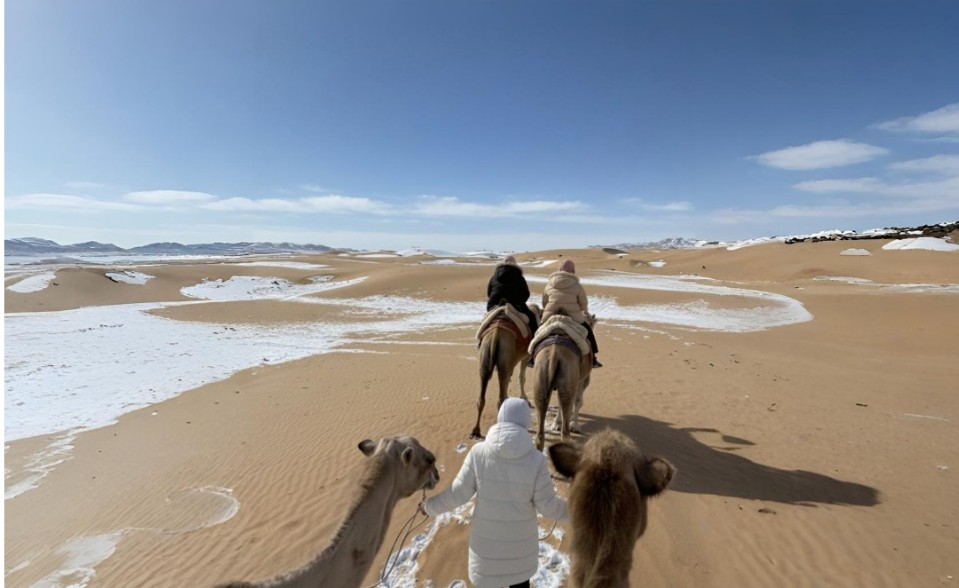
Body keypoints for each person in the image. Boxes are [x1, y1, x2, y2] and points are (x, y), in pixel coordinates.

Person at [419, 397, 568, 588]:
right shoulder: (536, 460)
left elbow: (457, 495)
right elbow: (549, 507)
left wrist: (428, 507)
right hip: (520, 559)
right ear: (525, 422)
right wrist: (584, 513)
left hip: (485, 559)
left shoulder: (478, 453)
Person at [538, 259, 602, 368]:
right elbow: (583, 305)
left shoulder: (549, 284)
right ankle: (593, 359)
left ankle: (531, 357)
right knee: (588, 331)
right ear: (573, 271)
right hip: (574, 317)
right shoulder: (577, 285)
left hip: (551, 316)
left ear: (559, 270)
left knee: (538, 332)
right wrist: (580, 310)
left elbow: (544, 302)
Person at [486, 255, 538, 335]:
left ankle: (479, 343)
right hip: (515, 305)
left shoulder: (494, 277)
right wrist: (519, 301)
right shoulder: (519, 276)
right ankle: (533, 342)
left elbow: (489, 293)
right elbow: (525, 294)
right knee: (532, 318)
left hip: (494, 305)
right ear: (515, 264)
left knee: (485, 322)